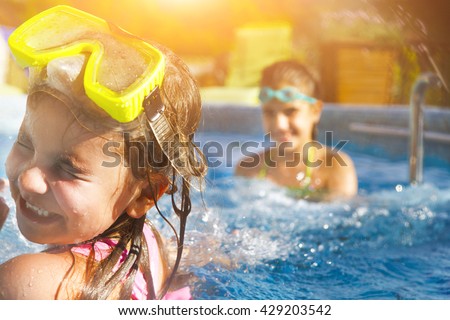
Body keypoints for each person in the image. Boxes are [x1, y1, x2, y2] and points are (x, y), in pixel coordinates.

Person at [0, 5, 206, 300]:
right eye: (25, 142)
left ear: (144, 195)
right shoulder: (146, 243)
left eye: (67, 168)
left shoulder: (28, 284)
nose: (28, 179)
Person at [236, 60, 357, 201]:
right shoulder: (248, 169)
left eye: (290, 111)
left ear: (315, 111)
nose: (279, 125)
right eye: (269, 112)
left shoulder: (334, 168)